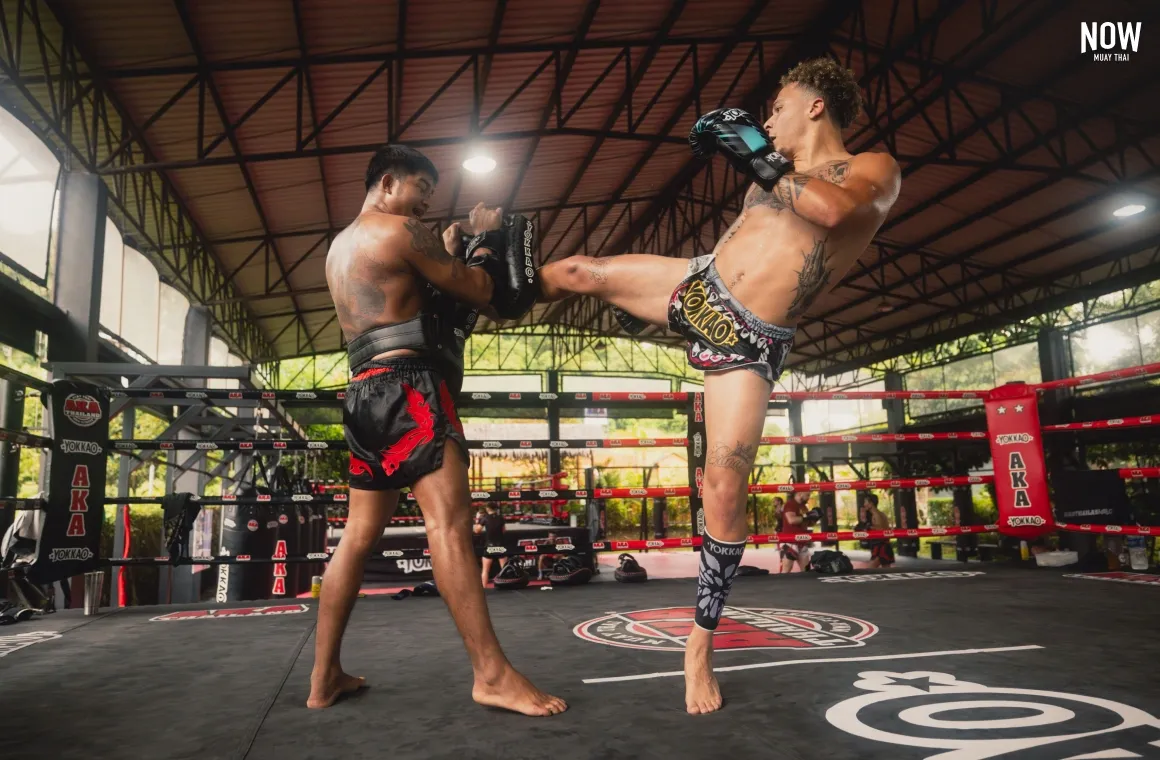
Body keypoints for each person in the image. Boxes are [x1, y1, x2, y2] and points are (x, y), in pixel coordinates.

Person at [537, 58, 901, 714]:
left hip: (751, 335)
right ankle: (470, 285)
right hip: (701, 284)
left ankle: (699, 647)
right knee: (577, 272)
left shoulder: (872, 167)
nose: (768, 120)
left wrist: (755, 154)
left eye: (778, 106)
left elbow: (828, 212)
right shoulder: (772, 172)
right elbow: (747, 242)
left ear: (815, 106)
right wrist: (667, 307)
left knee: (723, 486)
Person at [310, 144, 565, 717]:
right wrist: (484, 238)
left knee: (357, 534)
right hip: (411, 390)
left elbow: (404, 299)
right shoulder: (401, 230)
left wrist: (444, 249)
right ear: (388, 182)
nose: (426, 202)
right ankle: (491, 675)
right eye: (421, 189)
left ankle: (324, 677)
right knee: (448, 525)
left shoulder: (340, 246)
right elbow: (480, 291)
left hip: (364, 392)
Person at [779, 491, 817, 573]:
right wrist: (807, 517)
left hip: (802, 542)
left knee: (806, 571)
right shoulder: (790, 504)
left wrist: (815, 518)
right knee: (786, 571)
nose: (808, 497)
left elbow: (808, 523)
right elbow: (791, 520)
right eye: (807, 495)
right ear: (800, 493)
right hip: (790, 542)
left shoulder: (803, 507)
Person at [477, 504, 508, 586]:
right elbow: (504, 530)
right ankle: (506, 587)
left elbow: (477, 530)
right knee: (504, 569)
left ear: (487, 508)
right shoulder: (500, 518)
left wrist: (478, 520)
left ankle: (484, 588)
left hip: (489, 546)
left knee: (485, 570)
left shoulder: (485, 518)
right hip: (500, 545)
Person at [863, 494, 894, 568]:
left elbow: (881, 529)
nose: (864, 504)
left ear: (871, 504)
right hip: (885, 545)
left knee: (869, 571)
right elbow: (887, 528)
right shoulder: (881, 514)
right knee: (887, 572)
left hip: (880, 547)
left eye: (865, 502)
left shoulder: (876, 515)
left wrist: (869, 528)